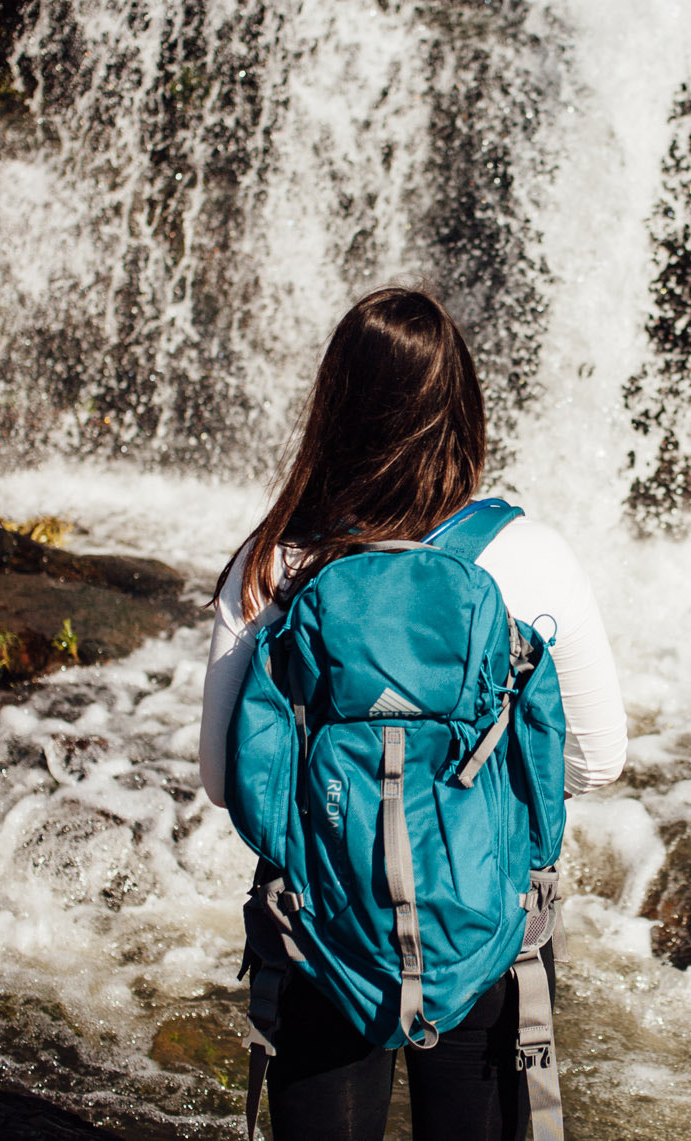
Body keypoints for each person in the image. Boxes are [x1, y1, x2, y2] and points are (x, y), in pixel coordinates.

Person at [199, 286, 627, 1141]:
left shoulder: (271, 559)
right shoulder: (530, 556)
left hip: (321, 933)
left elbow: (225, 779)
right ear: (463, 409)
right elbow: (597, 759)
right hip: (486, 923)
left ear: (334, 406)